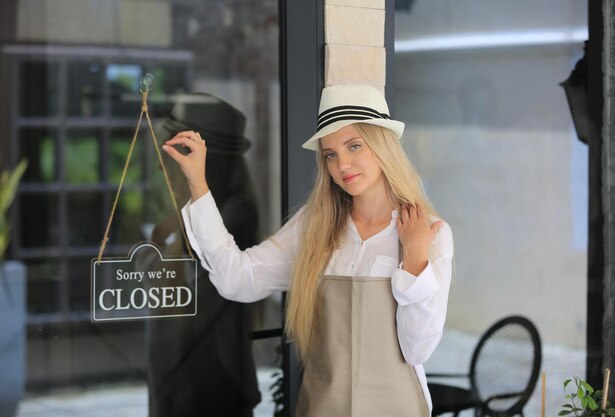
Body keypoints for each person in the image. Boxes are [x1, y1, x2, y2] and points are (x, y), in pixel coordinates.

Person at [163, 84, 454, 417]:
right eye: (330, 154)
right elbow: (236, 279)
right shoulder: (312, 227)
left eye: (354, 146)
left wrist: (415, 261)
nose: (342, 164)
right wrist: (198, 184)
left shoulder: (430, 234)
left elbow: (418, 349)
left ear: (382, 145)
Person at [148, 93, 261, 417]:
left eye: (171, 154)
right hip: (180, 382)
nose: (161, 165)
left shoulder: (234, 217)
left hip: (206, 385)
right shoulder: (192, 218)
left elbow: (199, 293)